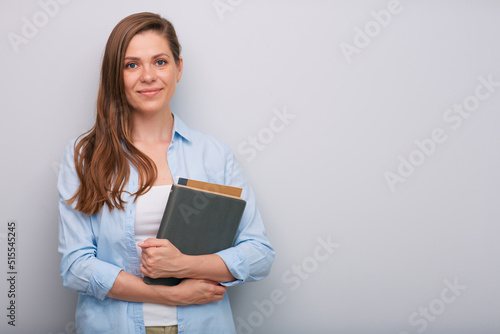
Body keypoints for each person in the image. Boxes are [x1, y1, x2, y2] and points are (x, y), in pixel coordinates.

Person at [57, 12, 274, 334]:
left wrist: (186, 265)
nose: (148, 76)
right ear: (116, 75)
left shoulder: (214, 155)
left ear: (178, 69)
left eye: (160, 62)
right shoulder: (85, 156)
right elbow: (76, 268)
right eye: (131, 65)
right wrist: (172, 294)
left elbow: (259, 254)